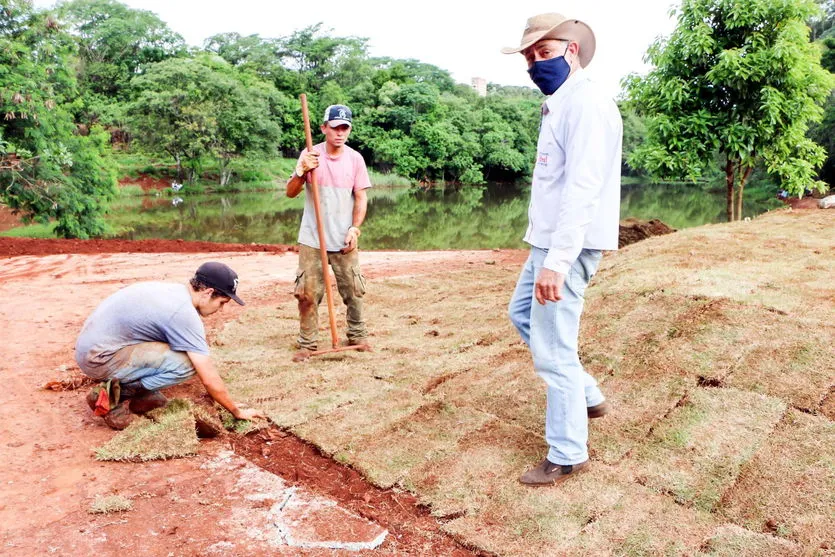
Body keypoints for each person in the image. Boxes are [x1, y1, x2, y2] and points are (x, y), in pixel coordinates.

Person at [502, 13, 622, 486]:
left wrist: (557, 262)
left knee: (553, 351)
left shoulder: (586, 104)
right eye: (530, 57)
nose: (536, 64)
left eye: (545, 52)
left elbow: (582, 189)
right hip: (547, 243)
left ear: (572, 50)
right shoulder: (561, 102)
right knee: (522, 314)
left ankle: (568, 453)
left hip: (565, 249)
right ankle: (587, 395)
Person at [75, 262, 265, 429]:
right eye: (222, 302)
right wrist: (236, 410)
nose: (221, 309)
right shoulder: (183, 313)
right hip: (100, 359)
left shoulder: (174, 291)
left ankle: (141, 395)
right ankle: (112, 397)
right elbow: (208, 376)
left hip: (93, 348)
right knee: (188, 364)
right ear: (208, 293)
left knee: (182, 346)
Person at [286, 104, 371, 357]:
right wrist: (301, 171)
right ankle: (307, 343)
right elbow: (290, 192)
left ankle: (357, 335)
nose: (340, 133)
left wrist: (355, 229)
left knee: (354, 290)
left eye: (345, 128)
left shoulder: (355, 159)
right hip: (313, 239)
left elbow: (361, 198)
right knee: (307, 294)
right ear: (324, 128)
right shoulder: (310, 154)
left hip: (344, 238)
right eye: (335, 128)